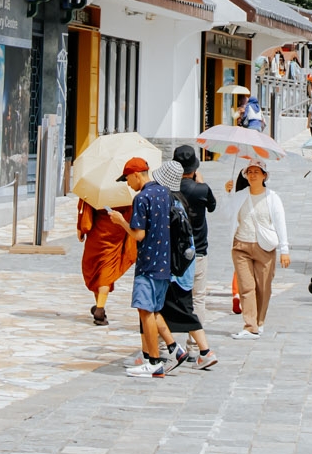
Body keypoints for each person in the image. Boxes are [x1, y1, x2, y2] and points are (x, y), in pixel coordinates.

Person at [115, 157, 178, 378]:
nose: (127, 184)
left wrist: (121, 222)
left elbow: (138, 235)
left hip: (148, 263)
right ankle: (170, 350)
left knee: (145, 312)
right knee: (153, 310)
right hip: (164, 263)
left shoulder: (141, 198)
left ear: (136, 174)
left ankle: (153, 361)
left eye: (127, 179)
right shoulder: (164, 192)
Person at [155, 159, 215, 371]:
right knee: (194, 303)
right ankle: (197, 350)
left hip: (173, 266)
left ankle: (167, 350)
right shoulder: (192, 195)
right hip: (193, 258)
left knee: (162, 307)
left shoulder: (169, 202)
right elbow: (213, 206)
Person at [229, 162, 290, 339]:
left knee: (263, 287)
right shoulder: (239, 195)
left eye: (257, 172)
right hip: (241, 245)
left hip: (265, 247)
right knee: (246, 287)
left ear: (264, 176)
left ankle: (259, 322)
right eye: (250, 172)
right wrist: (227, 193)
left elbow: (280, 223)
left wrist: (284, 249)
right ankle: (250, 326)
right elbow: (227, 213)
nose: (253, 175)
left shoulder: (272, 198)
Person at [76, 189, 135, 326]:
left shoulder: (96, 187)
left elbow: (86, 221)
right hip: (116, 235)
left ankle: (100, 307)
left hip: (97, 235)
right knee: (106, 272)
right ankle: (99, 307)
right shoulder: (127, 191)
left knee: (96, 271)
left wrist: (80, 229)